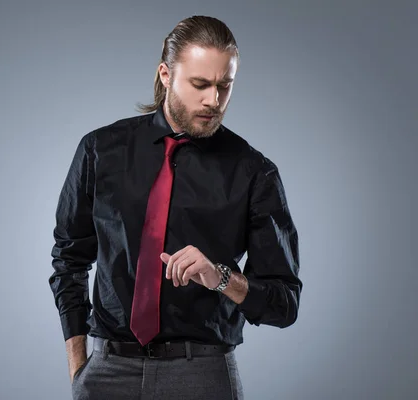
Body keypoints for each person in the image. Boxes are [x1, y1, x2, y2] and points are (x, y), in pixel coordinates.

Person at [49, 15, 302, 400]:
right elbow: (69, 260)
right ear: (165, 75)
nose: (213, 101)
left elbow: (284, 303)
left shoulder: (254, 172)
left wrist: (220, 277)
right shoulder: (99, 150)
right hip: (108, 372)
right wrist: (79, 369)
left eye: (224, 86)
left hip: (202, 374)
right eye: (200, 84)